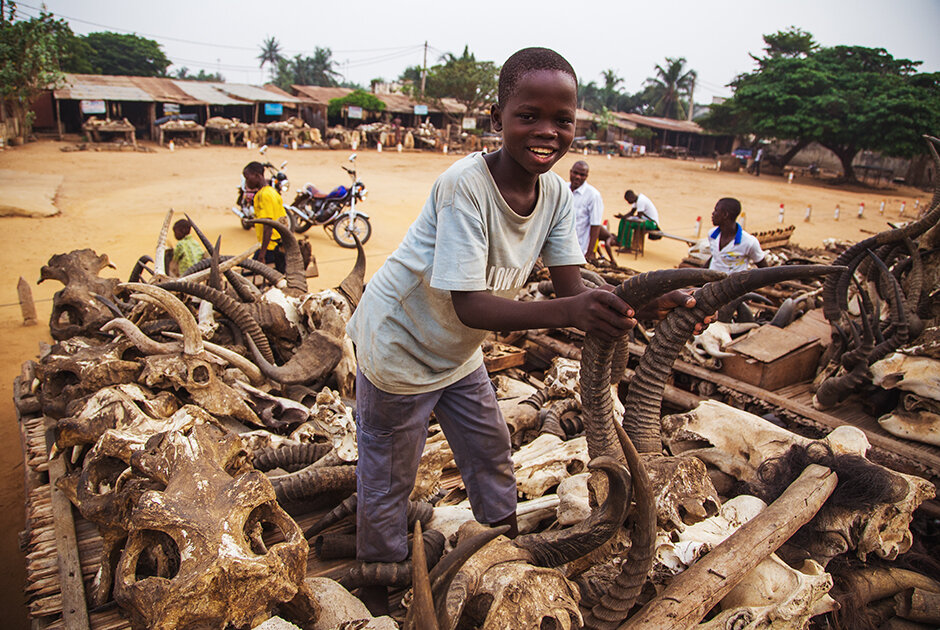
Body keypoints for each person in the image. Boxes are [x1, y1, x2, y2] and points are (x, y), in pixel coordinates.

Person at [345, 46, 702, 616]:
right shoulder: (465, 185)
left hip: (456, 353)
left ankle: (501, 555)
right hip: (400, 344)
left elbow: (570, 288)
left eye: (563, 121)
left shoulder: (558, 193)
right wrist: (577, 312)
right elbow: (472, 306)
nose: (547, 132)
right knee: (389, 476)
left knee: (490, 451)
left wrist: (646, 298)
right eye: (528, 116)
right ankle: (379, 589)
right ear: (496, 119)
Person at [243, 161, 288, 273]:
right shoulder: (272, 191)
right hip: (278, 245)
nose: (246, 181)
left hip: (270, 247)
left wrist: (262, 254)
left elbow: (268, 225)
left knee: (248, 276)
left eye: (248, 177)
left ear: (257, 176)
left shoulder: (264, 195)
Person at [569, 160, 615, 263]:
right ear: (570, 172)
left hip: (579, 250)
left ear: (586, 176)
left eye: (582, 175)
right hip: (559, 248)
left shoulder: (593, 195)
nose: (578, 177)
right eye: (575, 173)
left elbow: (595, 226)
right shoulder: (563, 189)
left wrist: (589, 253)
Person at [707, 197, 768, 273]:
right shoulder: (712, 235)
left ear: (725, 215)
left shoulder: (749, 242)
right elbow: (716, 257)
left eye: (716, 210)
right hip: (711, 283)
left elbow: (764, 268)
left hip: (733, 284)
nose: (713, 214)